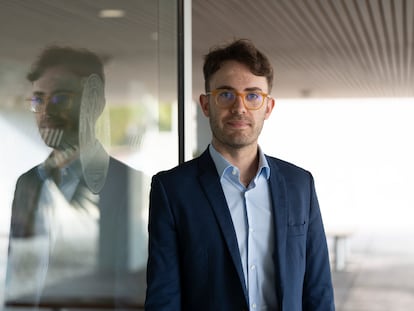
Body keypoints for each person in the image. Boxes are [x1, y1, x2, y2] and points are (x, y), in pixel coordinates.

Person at [145, 39, 335, 311]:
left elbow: (318, 291)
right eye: (226, 94)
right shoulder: (172, 189)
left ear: (268, 107)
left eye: (253, 95)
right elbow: (163, 299)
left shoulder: (300, 184)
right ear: (206, 104)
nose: (239, 107)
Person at [7, 46, 147, 308]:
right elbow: (19, 276)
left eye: (60, 99)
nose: (46, 111)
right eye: (38, 100)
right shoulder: (28, 183)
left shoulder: (129, 185)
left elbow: (133, 291)